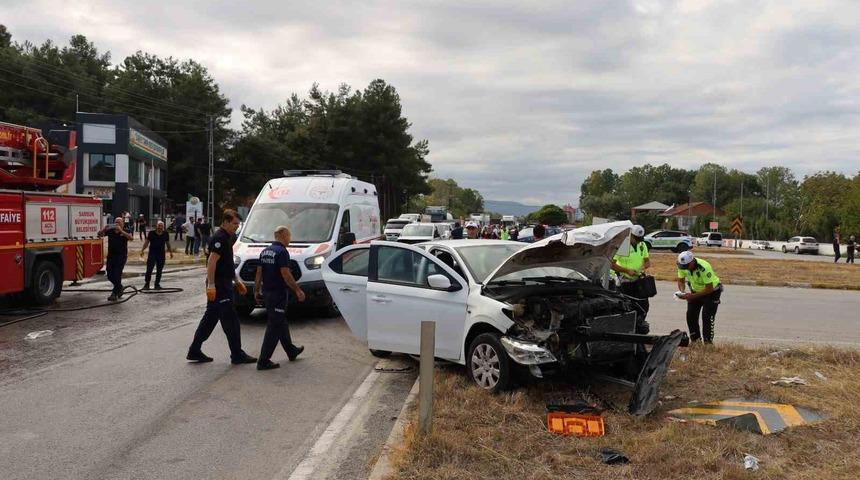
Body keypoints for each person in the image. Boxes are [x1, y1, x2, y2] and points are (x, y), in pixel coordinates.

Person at [187, 209, 257, 364]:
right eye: (234, 224)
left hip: (224, 283)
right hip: (219, 285)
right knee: (231, 320)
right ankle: (237, 354)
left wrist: (237, 281)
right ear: (225, 222)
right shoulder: (219, 238)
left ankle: (194, 350)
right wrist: (211, 285)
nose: (236, 227)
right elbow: (212, 261)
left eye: (238, 224)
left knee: (210, 319)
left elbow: (227, 263)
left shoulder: (227, 237)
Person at [253, 226, 307, 370]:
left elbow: (259, 272)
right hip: (278, 294)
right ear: (283, 235)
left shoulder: (265, 251)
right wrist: (297, 290)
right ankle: (263, 360)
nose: (290, 239)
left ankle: (291, 351)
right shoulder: (282, 252)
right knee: (274, 326)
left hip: (268, 292)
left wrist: (256, 290)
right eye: (289, 235)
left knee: (280, 321)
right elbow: (285, 273)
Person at [610, 225, 651, 334]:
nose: (638, 241)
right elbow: (611, 264)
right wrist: (626, 270)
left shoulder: (642, 245)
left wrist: (645, 266)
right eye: (636, 238)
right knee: (627, 307)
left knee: (644, 306)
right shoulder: (623, 246)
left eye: (640, 239)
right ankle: (626, 330)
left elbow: (647, 260)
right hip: (624, 281)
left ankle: (638, 326)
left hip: (638, 280)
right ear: (630, 235)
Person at [676, 251, 723, 344]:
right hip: (695, 291)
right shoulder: (682, 265)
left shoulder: (704, 267)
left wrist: (692, 296)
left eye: (686, 267)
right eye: (683, 267)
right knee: (691, 315)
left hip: (712, 292)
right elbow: (681, 281)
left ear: (692, 262)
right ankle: (695, 341)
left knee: (707, 317)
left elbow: (709, 289)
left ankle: (708, 342)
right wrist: (682, 292)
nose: (685, 269)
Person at [98, 216, 133, 301]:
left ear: (123, 224)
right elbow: (99, 235)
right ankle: (120, 287)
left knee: (117, 274)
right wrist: (104, 229)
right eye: (116, 222)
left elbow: (131, 238)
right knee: (110, 275)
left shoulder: (125, 231)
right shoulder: (110, 231)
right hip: (111, 256)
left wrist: (121, 231)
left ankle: (114, 293)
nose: (117, 224)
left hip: (121, 256)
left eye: (119, 222)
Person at [140, 220, 174, 290]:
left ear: (163, 227)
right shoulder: (151, 233)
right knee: (149, 269)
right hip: (152, 253)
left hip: (161, 254)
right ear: (156, 226)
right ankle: (147, 284)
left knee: (159, 270)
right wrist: (142, 250)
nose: (160, 227)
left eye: (161, 226)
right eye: (159, 226)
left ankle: (157, 284)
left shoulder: (165, 233)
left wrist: (170, 252)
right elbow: (147, 242)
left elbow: (167, 243)